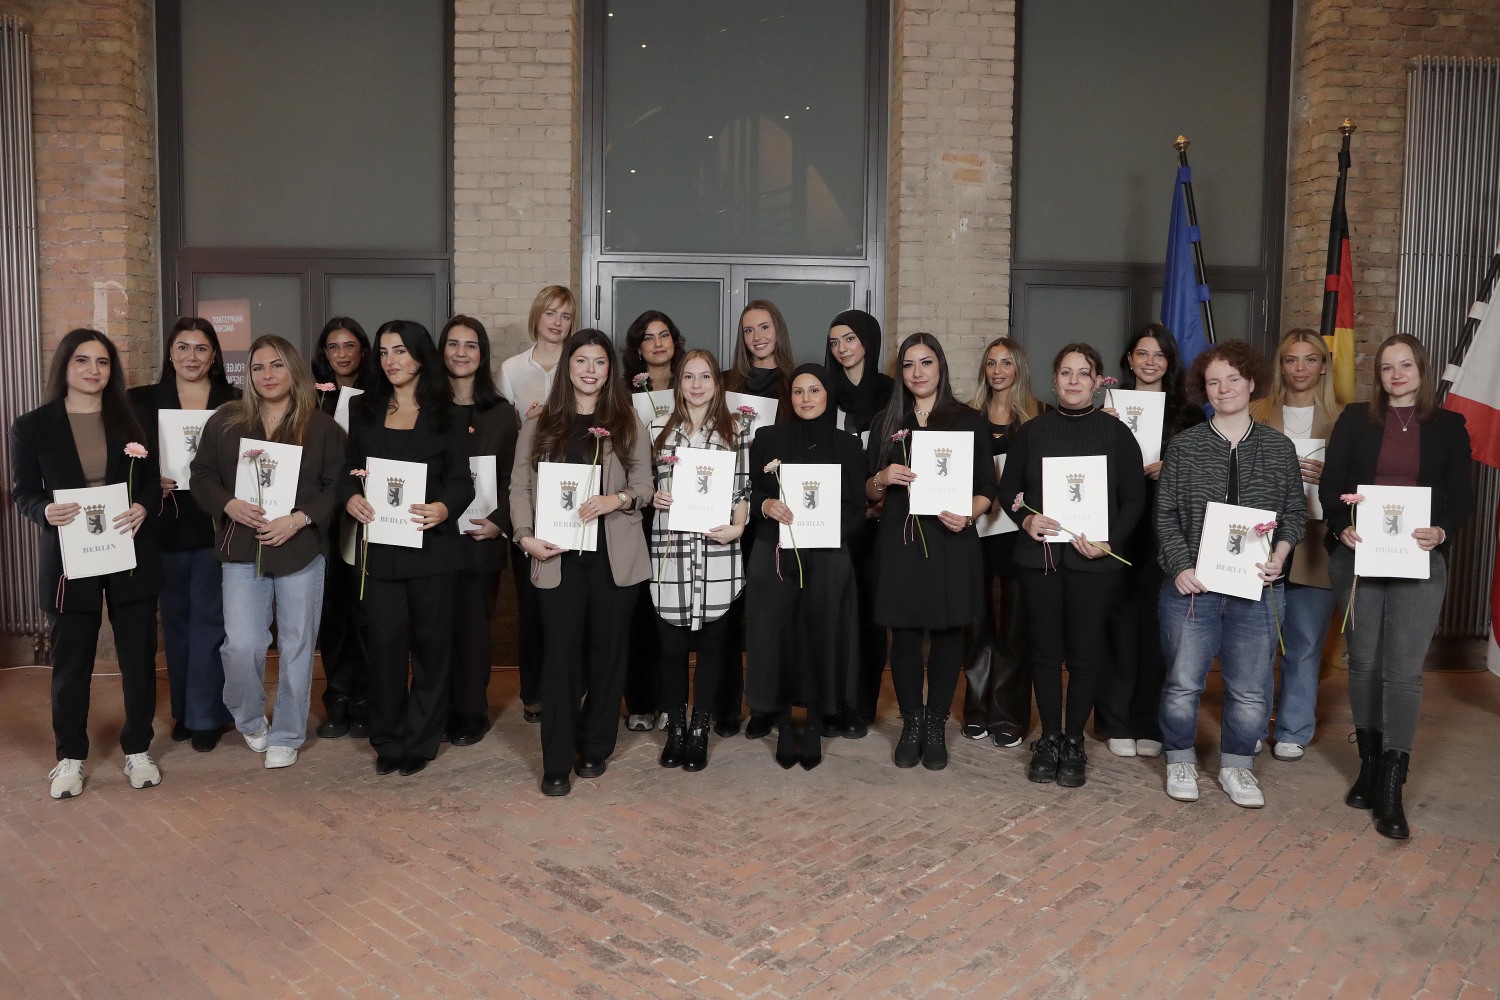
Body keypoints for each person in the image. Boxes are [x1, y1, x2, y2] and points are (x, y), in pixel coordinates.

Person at [1322, 333, 1472, 840]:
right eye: (1387, 367)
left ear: (1421, 371)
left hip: (1419, 560)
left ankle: (1392, 783)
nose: (1397, 375)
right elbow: (1331, 484)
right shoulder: (1354, 419)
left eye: (1405, 366)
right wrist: (1340, 523)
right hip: (1360, 557)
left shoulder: (1449, 426)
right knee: (1362, 661)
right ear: (1379, 375)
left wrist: (1443, 530)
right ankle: (1367, 763)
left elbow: (1462, 496)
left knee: (1403, 672)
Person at [10, 328, 163, 798]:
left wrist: (143, 506)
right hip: (68, 555)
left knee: (138, 656)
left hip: (127, 549)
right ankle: (70, 758)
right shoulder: (33, 425)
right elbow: (23, 493)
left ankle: (138, 749)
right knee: (71, 661)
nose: (93, 370)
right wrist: (44, 511)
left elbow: (152, 484)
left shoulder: (133, 419)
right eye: (83, 361)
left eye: (102, 362)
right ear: (66, 366)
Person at [1155, 341, 1305, 809]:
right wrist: (1180, 567)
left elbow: (1295, 514)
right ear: (1204, 389)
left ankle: (1237, 766)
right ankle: (1179, 758)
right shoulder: (1185, 446)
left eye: (1233, 379)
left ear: (1252, 383)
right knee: (1182, 683)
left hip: (1257, 590)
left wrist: (1280, 556)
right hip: (1193, 589)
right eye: (1214, 381)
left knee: (1250, 687)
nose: (1224, 389)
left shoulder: (1279, 448)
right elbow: (1165, 515)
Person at [189, 336, 345, 769]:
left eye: (276, 365)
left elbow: (337, 487)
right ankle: (250, 715)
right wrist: (229, 504)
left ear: (293, 370)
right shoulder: (226, 421)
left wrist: (297, 519)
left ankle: (289, 732)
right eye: (258, 368)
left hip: (299, 549)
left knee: (297, 645)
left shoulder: (322, 426)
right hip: (241, 549)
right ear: (249, 376)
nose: (268, 375)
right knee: (241, 645)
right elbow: (200, 474)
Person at [509, 329, 652, 796]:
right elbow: (520, 489)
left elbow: (645, 487)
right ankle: (555, 761)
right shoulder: (540, 424)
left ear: (610, 370)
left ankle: (595, 747)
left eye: (599, 362)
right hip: (557, 558)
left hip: (614, 560)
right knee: (561, 659)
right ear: (567, 367)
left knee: (608, 657)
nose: (590, 370)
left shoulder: (627, 423)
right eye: (581, 361)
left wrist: (617, 499)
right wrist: (525, 536)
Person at [997, 343, 1144, 788]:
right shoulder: (1032, 431)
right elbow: (1008, 491)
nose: (1074, 381)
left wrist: (1110, 542)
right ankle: (1050, 738)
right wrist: (1027, 519)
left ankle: (1075, 740)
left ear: (1098, 381)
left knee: (1085, 654)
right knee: (1043, 651)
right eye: (1066, 373)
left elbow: (1134, 499)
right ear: (1054, 379)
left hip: (1094, 559)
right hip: (1041, 556)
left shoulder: (1116, 434)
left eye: (1084, 373)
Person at [340, 320, 474, 777]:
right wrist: (350, 497)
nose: (391, 361)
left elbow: (462, 483)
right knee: (384, 646)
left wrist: (443, 507)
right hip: (379, 548)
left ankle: (421, 738)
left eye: (400, 351)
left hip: (432, 548)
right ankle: (388, 737)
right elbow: (348, 470)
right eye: (383, 352)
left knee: (433, 647)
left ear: (420, 357)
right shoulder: (363, 409)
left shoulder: (450, 414)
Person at [866, 333, 995, 771]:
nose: (917, 372)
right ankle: (912, 723)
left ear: (940, 366)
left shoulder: (968, 420)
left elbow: (987, 490)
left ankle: (937, 724)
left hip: (951, 539)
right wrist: (882, 477)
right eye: (908, 365)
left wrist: (969, 514)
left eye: (925, 363)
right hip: (900, 540)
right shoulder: (887, 420)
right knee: (902, 634)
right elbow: (866, 490)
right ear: (900, 372)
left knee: (946, 634)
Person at [746, 364, 867, 768]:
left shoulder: (848, 445)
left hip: (828, 555)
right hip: (775, 551)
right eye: (798, 391)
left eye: (814, 390)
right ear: (789, 397)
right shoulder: (767, 438)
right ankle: (776, 713)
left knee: (823, 632)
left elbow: (856, 508)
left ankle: (817, 716)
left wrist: (829, 532)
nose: (806, 399)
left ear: (828, 395)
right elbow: (755, 491)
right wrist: (766, 505)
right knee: (774, 632)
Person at [128, 317, 240, 751]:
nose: (191, 356)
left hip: (216, 521)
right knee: (174, 621)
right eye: (183, 347)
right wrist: (148, 480)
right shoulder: (140, 401)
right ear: (170, 353)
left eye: (201, 348)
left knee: (211, 620)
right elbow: (128, 463)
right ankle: (183, 712)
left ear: (214, 356)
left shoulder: (234, 401)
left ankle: (207, 714)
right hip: (164, 521)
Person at [1097, 324, 1204, 759]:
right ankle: (1114, 720)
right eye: (1141, 353)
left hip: (1167, 534)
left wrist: (1171, 468)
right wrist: (1100, 432)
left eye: (1158, 355)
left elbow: (1204, 478)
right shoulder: (1105, 407)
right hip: (1119, 528)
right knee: (1117, 625)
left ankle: (1150, 721)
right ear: (1128, 358)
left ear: (1169, 362)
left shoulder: (1191, 415)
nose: (1149, 361)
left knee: (1160, 629)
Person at [647, 350, 751, 771]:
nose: (696, 384)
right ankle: (675, 729)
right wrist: (655, 496)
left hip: (717, 547)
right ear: (678, 383)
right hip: (670, 548)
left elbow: (743, 490)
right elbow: (645, 482)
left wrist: (739, 527)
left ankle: (700, 729)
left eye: (704, 376)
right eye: (688, 376)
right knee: (671, 649)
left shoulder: (736, 428)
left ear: (716, 382)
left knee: (712, 649)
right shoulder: (658, 428)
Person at [1248, 329, 1340, 761]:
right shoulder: (1255, 412)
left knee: (1304, 642)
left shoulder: (1344, 420)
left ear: (1323, 365)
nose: (1299, 368)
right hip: (1260, 540)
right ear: (1279, 366)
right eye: (1290, 359)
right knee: (1258, 641)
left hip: (1317, 545)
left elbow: (1362, 487)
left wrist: (1333, 477)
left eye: (1309, 359)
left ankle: (1293, 728)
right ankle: (1251, 723)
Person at [497, 285, 576, 723]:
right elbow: (502, 434)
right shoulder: (512, 369)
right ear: (537, 316)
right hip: (528, 491)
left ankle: (568, 686)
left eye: (565, 315)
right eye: (550, 313)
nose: (557, 322)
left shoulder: (580, 363)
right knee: (532, 603)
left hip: (572, 496)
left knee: (567, 600)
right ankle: (534, 693)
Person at [963, 337, 1045, 748]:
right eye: (991, 363)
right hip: (974, 534)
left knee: (1015, 628)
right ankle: (976, 709)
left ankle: (1008, 714)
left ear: (1019, 369)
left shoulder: (1038, 418)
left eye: (1006, 363)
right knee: (976, 624)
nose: (998, 370)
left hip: (1018, 535)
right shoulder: (967, 418)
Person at [441, 316, 519, 746]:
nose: (461, 353)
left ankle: (471, 710)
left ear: (482, 354)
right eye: (453, 344)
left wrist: (500, 521)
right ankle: (436, 704)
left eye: (470, 345)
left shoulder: (500, 413)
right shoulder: (426, 409)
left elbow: (513, 476)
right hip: (433, 535)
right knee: (434, 625)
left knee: (473, 626)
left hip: (480, 536)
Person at [722, 300, 795, 739]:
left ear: (777, 330)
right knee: (731, 613)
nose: (757, 337)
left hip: (772, 509)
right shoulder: (728, 384)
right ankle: (730, 706)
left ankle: (772, 704)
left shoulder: (794, 383)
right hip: (729, 505)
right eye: (748, 331)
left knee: (771, 613)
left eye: (764, 327)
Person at [825, 309, 893, 731]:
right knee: (832, 613)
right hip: (831, 520)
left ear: (867, 340)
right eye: (834, 342)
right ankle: (831, 701)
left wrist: (878, 500)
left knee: (870, 615)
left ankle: (863, 703)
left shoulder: (891, 391)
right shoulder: (822, 389)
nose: (842, 349)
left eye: (849, 339)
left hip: (880, 520)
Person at [621, 309, 686, 733]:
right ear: (638, 349)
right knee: (637, 612)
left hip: (679, 510)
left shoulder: (692, 388)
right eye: (649, 337)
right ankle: (640, 702)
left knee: (669, 611)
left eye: (665, 335)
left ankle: (670, 701)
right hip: (634, 515)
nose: (658, 343)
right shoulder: (622, 395)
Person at [311, 316, 374, 739]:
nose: (342, 353)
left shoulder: (378, 397)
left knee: (366, 610)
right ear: (324, 354)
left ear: (362, 351)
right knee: (331, 613)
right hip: (322, 521)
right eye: (334, 346)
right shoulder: (311, 400)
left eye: (350, 345)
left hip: (366, 516)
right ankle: (337, 698)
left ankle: (368, 698)